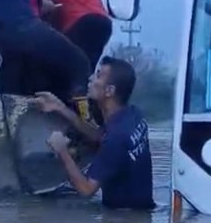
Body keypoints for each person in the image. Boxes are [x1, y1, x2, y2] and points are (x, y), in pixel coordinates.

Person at [36, 56, 155, 210]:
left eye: (98, 75)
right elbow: (100, 137)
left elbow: (86, 190)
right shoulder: (131, 115)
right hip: (141, 213)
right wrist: (60, 107)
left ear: (109, 91)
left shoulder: (117, 138)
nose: (91, 78)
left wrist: (62, 150)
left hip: (123, 221)